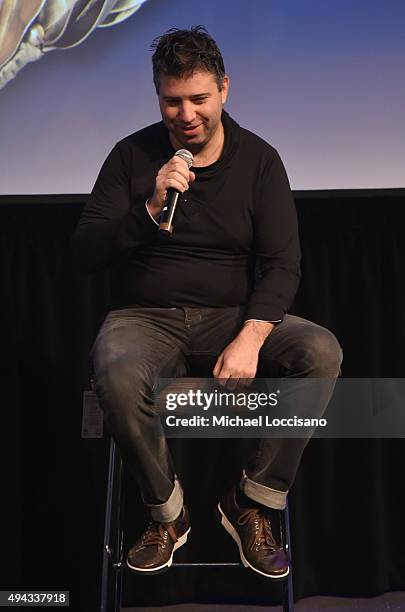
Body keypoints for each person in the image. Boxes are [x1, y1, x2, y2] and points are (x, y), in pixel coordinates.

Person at [74, 26, 343, 580]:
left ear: (224, 89)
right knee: (116, 372)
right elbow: (84, 252)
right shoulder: (131, 156)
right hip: (145, 318)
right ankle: (166, 515)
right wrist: (148, 209)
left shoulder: (260, 160)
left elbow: (282, 264)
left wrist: (251, 335)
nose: (186, 114)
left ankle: (252, 503)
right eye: (172, 101)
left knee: (320, 351)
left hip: (231, 317)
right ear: (158, 98)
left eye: (199, 98)